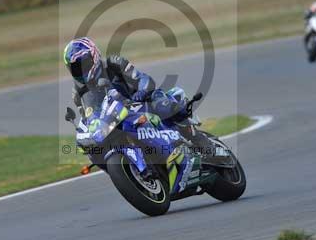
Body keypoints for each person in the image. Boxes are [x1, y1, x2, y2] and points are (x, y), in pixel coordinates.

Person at [63, 37, 215, 156]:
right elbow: (89, 118)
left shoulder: (114, 64)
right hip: (115, 120)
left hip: (139, 103)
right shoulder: (78, 93)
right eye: (75, 69)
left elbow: (143, 79)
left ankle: (197, 138)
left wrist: (141, 92)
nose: (81, 71)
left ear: (94, 56)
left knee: (161, 103)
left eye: (83, 64)